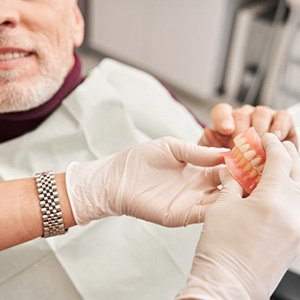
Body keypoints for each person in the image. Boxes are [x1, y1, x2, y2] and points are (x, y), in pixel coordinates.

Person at [1, 0, 300, 299]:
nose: (3, 14)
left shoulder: (130, 86)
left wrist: (249, 166)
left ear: (76, 20)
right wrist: (227, 286)